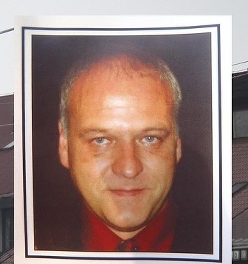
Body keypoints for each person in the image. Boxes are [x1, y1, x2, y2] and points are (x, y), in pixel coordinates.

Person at [56, 49, 190, 253]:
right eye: (100, 140)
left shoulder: (214, 238)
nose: (129, 168)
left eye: (150, 138)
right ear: (64, 145)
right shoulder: (45, 244)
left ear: (177, 145)